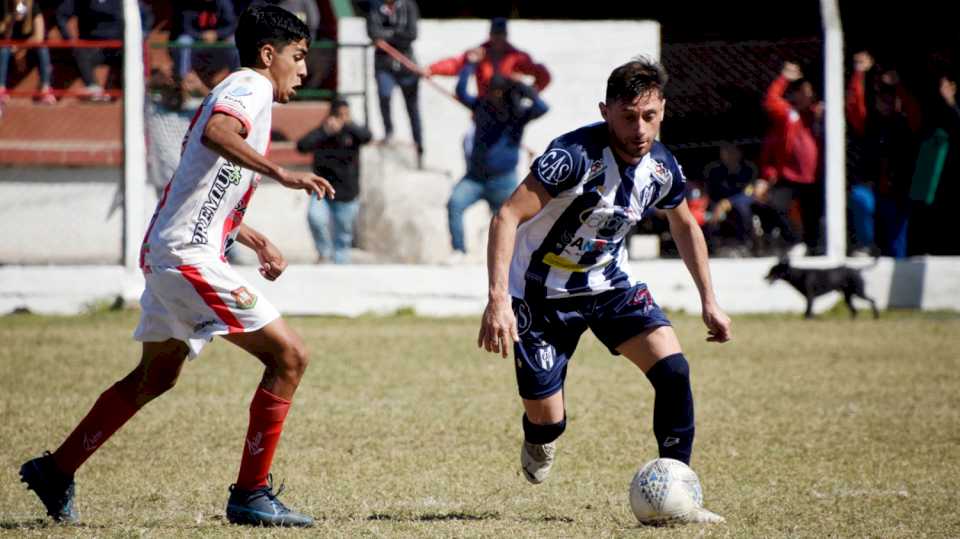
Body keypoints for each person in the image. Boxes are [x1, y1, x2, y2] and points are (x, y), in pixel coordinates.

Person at [19, 5, 332, 527]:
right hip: (187, 255)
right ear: (268, 54)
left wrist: (250, 237)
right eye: (298, 58)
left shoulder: (243, 89)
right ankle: (250, 494)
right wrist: (282, 172)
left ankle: (56, 470)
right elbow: (217, 134)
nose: (303, 70)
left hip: (175, 248)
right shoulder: (249, 86)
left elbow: (203, 184)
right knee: (290, 357)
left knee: (155, 376)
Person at [477, 57, 730, 524]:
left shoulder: (662, 166)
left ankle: (679, 492)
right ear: (605, 110)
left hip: (611, 287)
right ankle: (539, 436)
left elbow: (685, 225)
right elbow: (506, 216)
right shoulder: (572, 157)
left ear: (663, 112)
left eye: (649, 116)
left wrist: (708, 301)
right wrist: (497, 298)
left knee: (674, 371)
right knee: (549, 420)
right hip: (539, 296)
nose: (639, 128)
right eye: (628, 116)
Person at [446, 50, 548, 261]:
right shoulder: (482, 107)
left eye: (500, 92)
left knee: (516, 220)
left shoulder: (517, 114)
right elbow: (461, 91)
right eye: (492, 92)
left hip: (504, 179)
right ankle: (459, 250)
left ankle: (519, 255)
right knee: (455, 204)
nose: (495, 97)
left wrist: (519, 85)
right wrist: (469, 66)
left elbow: (542, 107)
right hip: (475, 177)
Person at [758, 61, 824, 256]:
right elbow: (771, 101)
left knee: (813, 215)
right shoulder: (789, 113)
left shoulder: (821, 114)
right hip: (789, 175)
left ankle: (813, 249)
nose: (806, 96)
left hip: (815, 177)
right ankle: (794, 242)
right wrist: (784, 78)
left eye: (808, 92)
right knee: (777, 205)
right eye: (801, 91)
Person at [297, 98, 372, 264]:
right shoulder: (323, 133)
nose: (342, 118)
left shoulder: (353, 132)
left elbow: (367, 136)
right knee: (315, 218)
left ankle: (340, 262)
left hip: (347, 192)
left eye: (346, 115)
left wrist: (347, 125)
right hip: (322, 190)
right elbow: (302, 146)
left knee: (343, 233)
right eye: (339, 115)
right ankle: (323, 252)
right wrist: (325, 131)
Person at [427, 17, 550, 98]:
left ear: (506, 36)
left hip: (509, 111)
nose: (498, 39)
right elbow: (456, 64)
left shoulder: (517, 57)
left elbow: (543, 75)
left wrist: (528, 92)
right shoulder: (480, 53)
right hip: (484, 107)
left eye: (501, 35)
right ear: (490, 35)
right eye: (495, 35)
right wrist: (431, 69)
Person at [55, 0, 152, 100]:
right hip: (93, 49)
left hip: (119, 47)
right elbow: (61, 14)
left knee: (136, 52)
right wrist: (68, 39)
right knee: (79, 52)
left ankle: (131, 89)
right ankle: (93, 88)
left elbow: (147, 14)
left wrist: (142, 35)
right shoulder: (81, 2)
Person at [366, 0, 423, 166]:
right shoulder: (375, 7)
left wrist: (388, 36)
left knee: (412, 107)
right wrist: (397, 35)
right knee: (384, 95)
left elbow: (411, 34)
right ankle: (389, 132)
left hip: (406, 62)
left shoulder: (409, 6)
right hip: (384, 64)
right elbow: (373, 33)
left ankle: (419, 144)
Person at [169, 0, 240, 96]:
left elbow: (231, 25)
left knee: (234, 42)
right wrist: (201, 36)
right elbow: (184, 26)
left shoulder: (223, 3)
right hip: (195, 43)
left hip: (219, 43)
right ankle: (182, 84)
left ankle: (238, 81)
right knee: (183, 41)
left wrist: (216, 34)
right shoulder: (188, 4)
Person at [0, 0, 55, 104]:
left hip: (28, 47)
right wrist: (12, 19)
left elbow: (39, 37)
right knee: (4, 49)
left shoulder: (33, 6)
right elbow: (6, 37)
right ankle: (1, 90)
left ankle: (45, 90)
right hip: (10, 47)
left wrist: (21, 49)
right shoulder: (5, 6)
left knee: (42, 48)